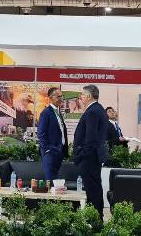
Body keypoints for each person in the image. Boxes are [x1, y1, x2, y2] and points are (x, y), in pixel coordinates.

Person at [71, 85, 109, 219]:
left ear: (89, 96)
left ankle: (95, 219)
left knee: (92, 189)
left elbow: (91, 138)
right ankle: (96, 217)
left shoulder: (92, 111)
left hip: (89, 157)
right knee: (95, 187)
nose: (80, 97)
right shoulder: (99, 109)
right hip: (93, 156)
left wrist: (82, 154)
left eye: (82, 95)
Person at [37, 87, 68, 182]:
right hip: (50, 153)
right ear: (51, 98)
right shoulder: (46, 113)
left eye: (62, 96)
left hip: (59, 152)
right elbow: (41, 133)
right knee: (50, 181)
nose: (61, 99)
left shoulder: (58, 112)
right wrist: (48, 150)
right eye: (58, 97)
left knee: (56, 181)